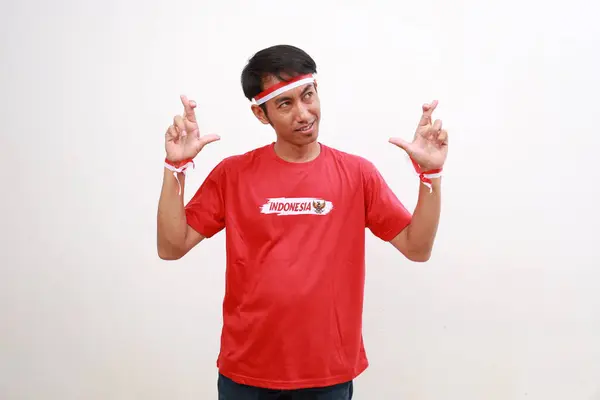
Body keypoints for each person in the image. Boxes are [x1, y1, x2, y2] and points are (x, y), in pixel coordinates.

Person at [156, 44, 448, 399]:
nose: (303, 113)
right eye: (285, 104)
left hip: (326, 373)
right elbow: (171, 247)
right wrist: (175, 168)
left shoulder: (357, 175)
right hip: (246, 371)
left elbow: (417, 248)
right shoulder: (233, 174)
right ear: (260, 114)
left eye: (307, 96)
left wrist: (430, 175)